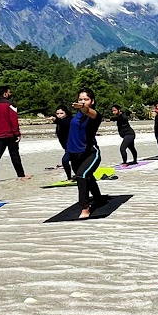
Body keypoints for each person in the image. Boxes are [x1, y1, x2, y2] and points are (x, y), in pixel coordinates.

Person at [66, 89, 106, 219]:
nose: (83, 101)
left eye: (86, 99)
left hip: (91, 153)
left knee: (81, 176)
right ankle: (98, 198)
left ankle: (84, 207)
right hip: (75, 154)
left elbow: (87, 111)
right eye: (80, 99)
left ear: (92, 101)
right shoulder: (76, 117)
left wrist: (83, 106)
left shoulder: (95, 115)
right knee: (88, 177)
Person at [0, 85, 31, 183]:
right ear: (5, 93)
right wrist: (17, 133)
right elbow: (13, 120)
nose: (10, 94)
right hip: (10, 134)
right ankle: (21, 175)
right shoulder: (10, 104)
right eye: (9, 92)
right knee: (14, 155)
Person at [52, 105, 74, 180]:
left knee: (65, 161)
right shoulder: (60, 122)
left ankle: (70, 178)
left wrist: (55, 120)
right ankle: (74, 177)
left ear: (66, 113)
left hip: (73, 145)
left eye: (61, 113)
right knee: (74, 162)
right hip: (66, 146)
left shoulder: (69, 120)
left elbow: (64, 123)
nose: (59, 115)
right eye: (57, 114)